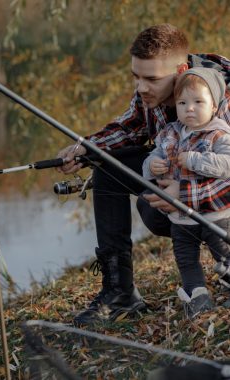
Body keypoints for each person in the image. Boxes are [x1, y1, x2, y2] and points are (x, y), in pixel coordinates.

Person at [56, 23, 230, 326]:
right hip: (187, 189)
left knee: (156, 204)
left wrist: (183, 194)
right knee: (107, 167)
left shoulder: (222, 97)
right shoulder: (152, 94)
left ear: (180, 69)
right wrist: (84, 149)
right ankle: (120, 293)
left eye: (150, 78)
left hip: (220, 201)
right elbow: (127, 128)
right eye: (136, 77)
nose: (141, 87)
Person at [143, 67, 230, 319]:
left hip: (216, 216)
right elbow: (152, 158)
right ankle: (197, 296)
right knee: (185, 260)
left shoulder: (219, 134)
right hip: (180, 219)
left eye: (198, 102)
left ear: (214, 106)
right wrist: (152, 165)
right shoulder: (170, 132)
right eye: (182, 102)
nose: (189, 108)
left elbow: (227, 165)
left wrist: (194, 160)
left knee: (224, 256)